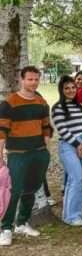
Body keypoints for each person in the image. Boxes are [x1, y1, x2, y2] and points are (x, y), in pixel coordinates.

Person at [0, 66, 51, 246]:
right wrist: (0, 156)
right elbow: (2, 132)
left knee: (31, 189)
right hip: (18, 154)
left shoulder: (41, 101)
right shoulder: (9, 103)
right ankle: (5, 228)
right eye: (30, 79)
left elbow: (46, 125)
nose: (34, 82)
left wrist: (45, 144)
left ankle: (21, 223)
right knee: (13, 191)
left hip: (38, 153)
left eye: (36, 79)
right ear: (21, 80)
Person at [51, 75, 82, 226]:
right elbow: (62, 130)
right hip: (69, 146)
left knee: (72, 181)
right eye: (66, 88)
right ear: (62, 90)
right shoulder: (58, 108)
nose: (70, 91)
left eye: (72, 88)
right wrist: (78, 145)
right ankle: (72, 216)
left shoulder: (81, 106)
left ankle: (70, 214)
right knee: (77, 179)